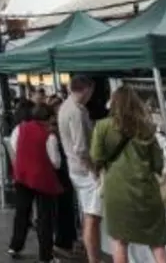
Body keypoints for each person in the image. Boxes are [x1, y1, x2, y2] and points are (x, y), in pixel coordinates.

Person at [91, 87, 166, 263]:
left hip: (116, 190)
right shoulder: (147, 127)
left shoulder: (102, 126)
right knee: (157, 244)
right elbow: (158, 163)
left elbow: (96, 157)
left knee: (119, 241)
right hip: (146, 190)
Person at [8, 104, 63, 262]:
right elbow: (56, 162)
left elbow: (14, 147)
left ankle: (15, 245)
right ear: (49, 118)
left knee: (22, 213)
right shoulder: (49, 136)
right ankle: (45, 256)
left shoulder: (20, 128)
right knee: (45, 219)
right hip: (42, 179)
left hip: (22, 176)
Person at [58, 75, 102, 263]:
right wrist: (94, 171)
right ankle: (94, 259)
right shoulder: (75, 111)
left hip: (75, 168)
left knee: (88, 214)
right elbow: (81, 148)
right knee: (92, 216)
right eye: (91, 91)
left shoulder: (66, 107)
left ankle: (91, 255)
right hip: (84, 171)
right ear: (86, 89)